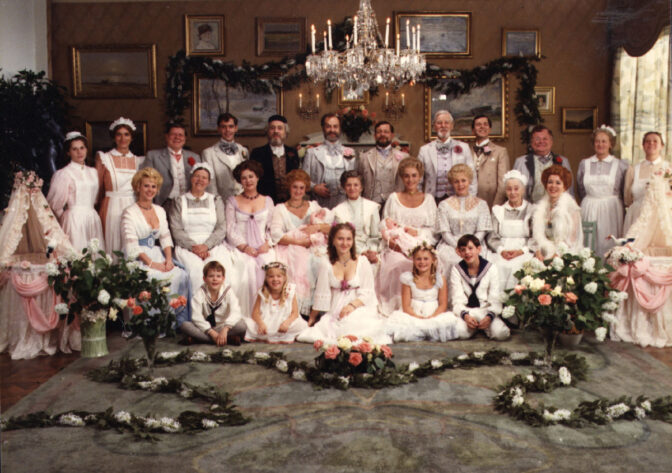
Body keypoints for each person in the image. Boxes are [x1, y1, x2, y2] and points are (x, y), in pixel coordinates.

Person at [297, 223, 392, 344]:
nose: (344, 243)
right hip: (336, 308)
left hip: (359, 305)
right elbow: (322, 293)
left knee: (354, 326)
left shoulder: (362, 262)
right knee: (328, 330)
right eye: (340, 239)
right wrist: (312, 318)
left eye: (348, 239)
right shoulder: (326, 263)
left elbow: (368, 292)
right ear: (333, 241)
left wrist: (351, 306)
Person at [121, 168, 191, 328]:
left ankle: (168, 322)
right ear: (138, 187)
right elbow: (132, 246)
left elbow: (165, 237)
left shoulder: (159, 210)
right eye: (146, 186)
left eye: (153, 186)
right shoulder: (129, 212)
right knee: (154, 277)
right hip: (138, 257)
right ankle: (149, 325)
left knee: (179, 274)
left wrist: (168, 260)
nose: (150, 190)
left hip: (158, 254)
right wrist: (152, 264)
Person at [378, 157, 438, 315]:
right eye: (406, 176)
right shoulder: (393, 198)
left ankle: (422, 304)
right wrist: (393, 242)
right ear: (401, 177)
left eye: (414, 175)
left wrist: (418, 233)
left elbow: (434, 230)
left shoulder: (429, 199)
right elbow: (385, 223)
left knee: (429, 262)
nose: (410, 180)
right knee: (399, 263)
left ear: (420, 177)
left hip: (421, 244)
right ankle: (400, 306)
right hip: (398, 247)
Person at [270, 169, 332, 316]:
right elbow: (276, 234)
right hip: (292, 245)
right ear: (289, 187)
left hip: (314, 244)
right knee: (301, 262)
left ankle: (319, 307)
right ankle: (300, 308)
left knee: (323, 261)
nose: (298, 191)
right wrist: (299, 242)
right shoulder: (280, 209)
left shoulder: (313, 206)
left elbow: (329, 226)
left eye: (301, 188)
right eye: (294, 187)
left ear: (306, 189)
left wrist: (317, 228)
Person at [168, 162, 236, 293]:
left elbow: (221, 227)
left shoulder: (215, 200)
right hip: (187, 247)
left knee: (220, 270)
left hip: (213, 245)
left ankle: (219, 305)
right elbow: (176, 229)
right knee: (196, 273)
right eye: (197, 176)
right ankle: (199, 305)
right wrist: (194, 248)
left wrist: (206, 246)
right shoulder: (179, 201)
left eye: (204, 177)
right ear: (191, 178)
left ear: (209, 182)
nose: (200, 180)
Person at [225, 160, 276, 316]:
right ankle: (246, 314)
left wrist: (267, 244)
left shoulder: (267, 201)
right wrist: (244, 247)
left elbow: (271, 227)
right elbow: (230, 229)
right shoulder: (232, 201)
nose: (248, 181)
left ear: (257, 177)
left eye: (251, 176)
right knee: (246, 268)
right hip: (241, 247)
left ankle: (267, 314)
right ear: (240, 181)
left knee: (269, 266)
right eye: (244, 178)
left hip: (262, 246)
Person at [386, 243, 461, 342]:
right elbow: (406, 306)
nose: (422, 262)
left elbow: (443, 304)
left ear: (433, 260)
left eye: (426, 259)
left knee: (448, 325)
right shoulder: (408, 278)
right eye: (418, 259)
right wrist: (417, 317)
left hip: (434, 313)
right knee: (404, 327)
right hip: (413, 314)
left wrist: (432, 317)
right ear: (413, 260)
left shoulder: (440, 279)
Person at [46, 131, 104, 252]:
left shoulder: (93, 172)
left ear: (86, 149)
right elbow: (54, 204)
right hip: (74, 220)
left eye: (82, 148)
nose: (79, 152)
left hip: (92, 218)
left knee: (95, 253)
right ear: (68, 152)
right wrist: (66, 218)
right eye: (74, 149)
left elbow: (96, 197)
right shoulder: (64, 173)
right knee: (77, 252)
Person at [577, 126, 629, 256]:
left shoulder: (620, 165)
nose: (600, 144)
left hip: (611, 209)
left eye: (604, 141)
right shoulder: (584, 164)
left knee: (609, 242)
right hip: (589, 206)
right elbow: (580, 188)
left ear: (611, 144)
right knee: (588, 242)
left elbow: (624, 190)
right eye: (597, 141)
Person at [451, 234, 510, 340]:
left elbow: (495, 297)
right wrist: (466, 316)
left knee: (501, 333)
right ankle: (474, 328)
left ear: (479, 249)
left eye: (470, 248)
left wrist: (489, 317)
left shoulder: (491, 268)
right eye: (463, 250)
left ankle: (484, 327)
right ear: (459, 253)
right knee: (459, 332)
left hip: (485, 310)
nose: (467, 252)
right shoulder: (457, 270)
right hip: (468, 311)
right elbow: (457, 298)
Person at [436, 164, 493, 272]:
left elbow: (481, 231)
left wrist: (470, 246)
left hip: (475, 244)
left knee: (478, 259)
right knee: (449, 260)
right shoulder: (444, 205)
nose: (460, 184)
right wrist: (459, 247)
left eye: (463, 180)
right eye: (456, 181)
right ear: (452, 183)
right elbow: (445, 232)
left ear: (469, 181)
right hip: (451, 245)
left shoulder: (481, 204)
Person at [95, 117, 140, 254]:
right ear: (114, 137)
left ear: (131, 137)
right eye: (119, 134)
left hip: (132, 204)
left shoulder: (138, 160)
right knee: (112, 243)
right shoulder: (104, 158)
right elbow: (98, 188)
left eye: (126, 134)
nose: (123, 138)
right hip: (112, 205)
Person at [487, 170, 535, 290]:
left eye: (516, 188)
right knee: (496, 266)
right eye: (509, 189)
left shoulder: (532, 210)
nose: (513, 192)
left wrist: (522, 251)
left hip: (524, 250)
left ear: (523, 190)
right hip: (502, 250)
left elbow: (535, 237)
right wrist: (502, 250)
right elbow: (492, 237)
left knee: (520, 267)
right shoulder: (498, 210)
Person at [179, 261, 246, 345]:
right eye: (211, 276)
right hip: (206, 328)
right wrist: (211, 332)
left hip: (223, 327)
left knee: (242, 326)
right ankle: (225, 339)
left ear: (223, 278)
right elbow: (196, 316)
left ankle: (199, 339)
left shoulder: (228, 291)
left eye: (218, 276)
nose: (215, 279)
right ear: (204, 279)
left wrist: (225, 329)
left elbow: (236, 312)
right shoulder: (200, 293)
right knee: (185, 325)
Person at [418, 110, 477, 202]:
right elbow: (418, 179)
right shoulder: (424, 150)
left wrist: (470, 199)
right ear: (434, 127)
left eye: (446, 122)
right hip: (432, 199)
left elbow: (472, 176)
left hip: (458, 198)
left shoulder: (464, 147)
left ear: (452, 126)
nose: (443, 126)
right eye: (439, 123)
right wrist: (419, 200)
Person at [302, 113, 357, 209]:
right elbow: (302, 179)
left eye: (335, 126)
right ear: (323, 128)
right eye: (328, 126)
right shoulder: (312, 153)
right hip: (319, 205)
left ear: (340, 129)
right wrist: (314, 187)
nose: (332, 130)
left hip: (345, 205)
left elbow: (357, 179)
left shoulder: (350, 152)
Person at [245, 262, 308, 343]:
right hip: (268, 322)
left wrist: (287, 323)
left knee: (300, 325)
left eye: (279, 276)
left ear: (284, 278)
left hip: (285, 321)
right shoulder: (262, 292)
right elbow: (255, 313)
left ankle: (282, 334)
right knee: (251, 325)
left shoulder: (290, 291)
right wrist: (261, 324)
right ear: (266, 279)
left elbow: (295, 313)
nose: (275, 279)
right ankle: (273, 334)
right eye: (271, 276)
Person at [532, 165, 583, 259]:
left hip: (565, 254)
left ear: (565, 186)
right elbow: (537, 237)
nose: (553, 186)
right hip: (545, 252)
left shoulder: (572, 208)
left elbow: (571, 241)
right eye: (550, 182)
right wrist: (539, 250)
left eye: (558, 183)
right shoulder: (541, 208)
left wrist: (556, 256)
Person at [144, 123, 201, 208]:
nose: (177, 137)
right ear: (167, 137)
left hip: (190, 202)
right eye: (173, 134)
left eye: (180, 135)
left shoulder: (195, 157)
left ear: (185, 138)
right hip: (164, 203)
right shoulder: (153, 156)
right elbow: (145, 182)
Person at [513, 125, 574, 203]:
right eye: (537, 139)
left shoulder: (563, 161)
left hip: (556, 207)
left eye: (545, 139)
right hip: (529, 207)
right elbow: (514, 189)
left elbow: (569, 190)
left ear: (551, 141)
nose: (541, 142)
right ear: (531, 142)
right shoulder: (521, 162)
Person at [332, 170, 381, 265]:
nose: (352, 188)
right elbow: (340, 237)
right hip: (347, 250)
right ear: (344, 187)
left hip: (370, 250)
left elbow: (375, 235)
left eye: (356, 185)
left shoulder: (372, 207)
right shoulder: (338, 210)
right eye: (348, 185)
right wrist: (361, 252)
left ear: (361, 187)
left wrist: (372, 251)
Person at [623, 131, 667, 233]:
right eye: (647, 141)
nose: (651, 143)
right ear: (643, 146)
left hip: (659, 218)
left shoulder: (668, 169)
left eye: (655, 141)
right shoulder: (633, 170)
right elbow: (627, 199)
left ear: (662, 146)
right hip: (637, 216)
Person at [250, 115, 300, 204]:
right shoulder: (257, 153)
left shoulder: (293, 152)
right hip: (264, 202)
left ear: (285, 132)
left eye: (280, 128)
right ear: (267, 131)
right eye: (272, 128)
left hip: (290, 202)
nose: (276, 131)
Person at [357, 121, 408, 205]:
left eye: (386, 132)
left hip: (395, 203)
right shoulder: (364, 157)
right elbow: (359, 182)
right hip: (371, 203)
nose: (382, 134)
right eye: (379, 132)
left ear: (392, 135)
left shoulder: (404, 157)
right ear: (374, 136)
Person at [203, 113, 249, 201]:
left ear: (236, 128)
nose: (227, 130)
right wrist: (217, 203)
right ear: (218, 129)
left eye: (231, 126)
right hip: (222, 200)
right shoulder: (209, 153)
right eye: (223, 127)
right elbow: (211, 183)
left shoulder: (243, 150)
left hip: (243, 199)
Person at [470, 115, 510, 208]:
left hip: (491, 202)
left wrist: (496, 207)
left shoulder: (500, 151)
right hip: (470, 202)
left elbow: (503, 183)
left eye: (485, 124)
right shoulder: (467, 151)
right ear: (473, 130)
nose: (482, 127)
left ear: (490, 129)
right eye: (478, 124)